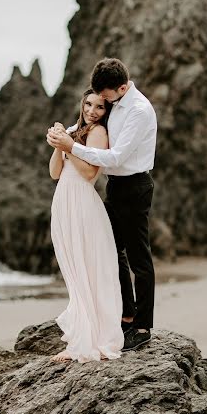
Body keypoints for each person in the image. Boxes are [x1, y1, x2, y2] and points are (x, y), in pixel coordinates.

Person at [52, 58, 157, 352]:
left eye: (106, 97)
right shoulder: (115, 102)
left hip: (135, 185)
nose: (103, 104)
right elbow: (85, 123)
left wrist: (70, 147)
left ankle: (143, 326)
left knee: (140, 258)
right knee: (111, 250)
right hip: (115, 187)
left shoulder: (138, 111)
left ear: (122, 87)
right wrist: (62, 133)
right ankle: (125, 314)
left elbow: (116, 158)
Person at [47, 88, 124, 363]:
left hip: (83, 206)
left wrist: (68, 145)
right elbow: (55, 173)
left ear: (106, 112)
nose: (92, 110)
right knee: (75, 272)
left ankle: (93, 340)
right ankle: (82, 335)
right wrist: (59, 145)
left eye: (100, 107)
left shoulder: (99, 133)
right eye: (89, 104)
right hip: (64, 204)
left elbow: (90, 172)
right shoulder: (74, 130)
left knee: (90, 269)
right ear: (82, 103)